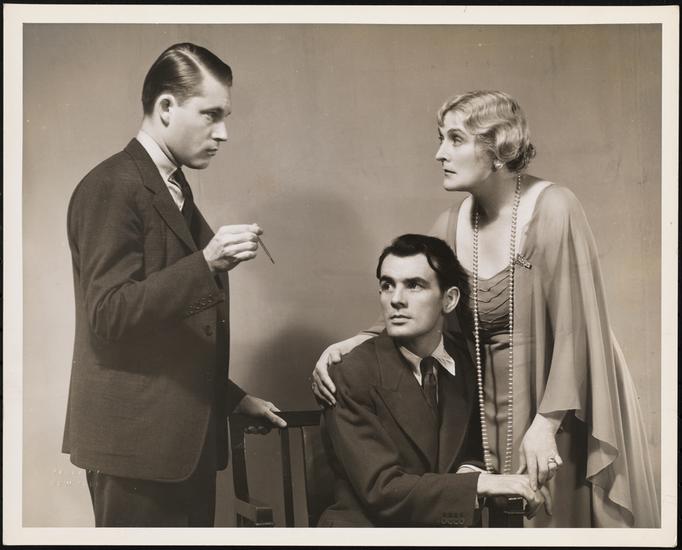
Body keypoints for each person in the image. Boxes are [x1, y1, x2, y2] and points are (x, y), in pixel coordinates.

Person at [312, 91, 659, 527]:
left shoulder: (555, 207)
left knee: (553, 517)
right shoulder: (451, 224)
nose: (440, 153)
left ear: (499, 149)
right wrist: (346, 346)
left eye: (456, 139)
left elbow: (577, 332)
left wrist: (545, 425)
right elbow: (414, 304)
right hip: (483, 399)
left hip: (561, 396)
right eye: (441, 138)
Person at [62, 42, 286, 527]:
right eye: (211, 115)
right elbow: (109, 314)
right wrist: (206, 263)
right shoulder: (112, 185)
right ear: (166, 107)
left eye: (225, 117)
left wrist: (231, 399)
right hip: (136, 454)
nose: (223, 133)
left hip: (176, 450)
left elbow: (165, 337)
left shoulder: (172, 187)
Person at [318, 234, 551, 527]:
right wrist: (480, 484)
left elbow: (473, 450)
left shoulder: (465, 363)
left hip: (440, 531)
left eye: (413, 285)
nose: (396, 299)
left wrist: (469, 472)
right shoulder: (351, 373)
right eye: (387, 285)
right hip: (366, 534)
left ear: (449, 300)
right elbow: (382, 490)